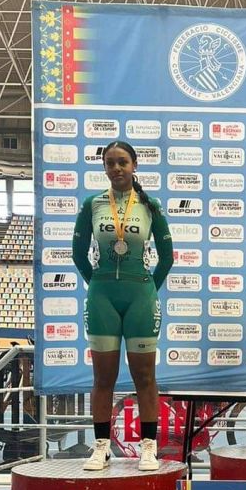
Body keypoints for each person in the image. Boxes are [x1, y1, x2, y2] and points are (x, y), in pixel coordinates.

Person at [72, 140, 173, 472]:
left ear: (134, 165)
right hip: (102, 296)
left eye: (122, 162)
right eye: (110, 163)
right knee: (103, 378)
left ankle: (148, 446)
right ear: (104, 167)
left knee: (145, 376)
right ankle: (101, 447)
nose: (116, 168)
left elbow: (167, 257)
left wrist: (149, 290)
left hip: (140, 295)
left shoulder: (150, 205)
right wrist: (97, 284)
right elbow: (77, 254)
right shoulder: (92, 204)